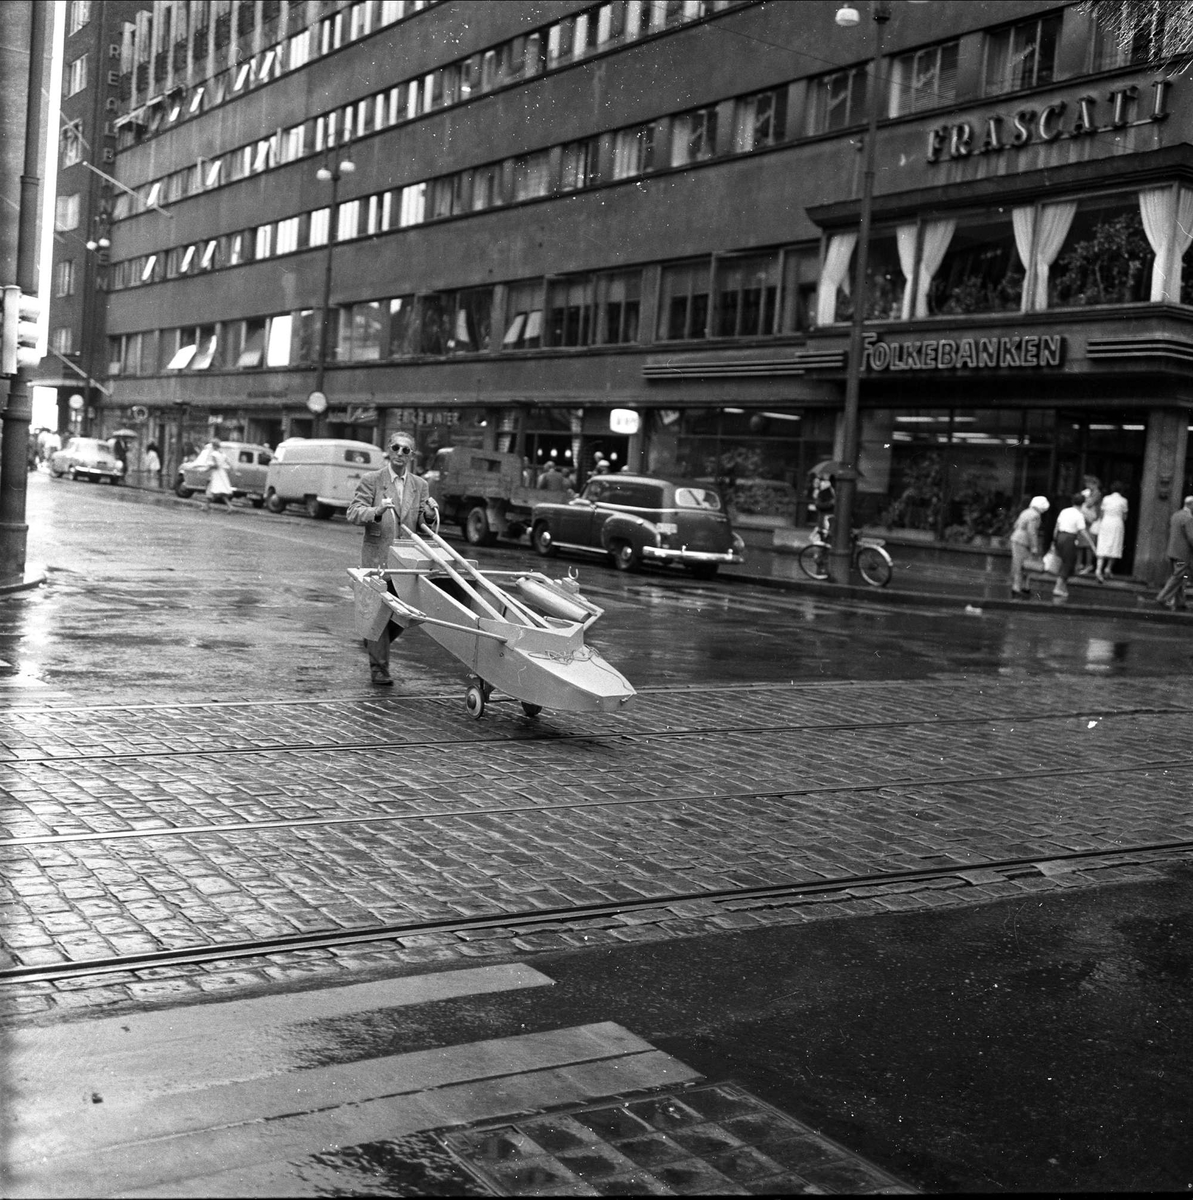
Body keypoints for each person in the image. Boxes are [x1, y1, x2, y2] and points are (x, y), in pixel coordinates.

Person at [346, 431, 439, 686]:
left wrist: (429, 515)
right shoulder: (372, 480)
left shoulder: (420, 485)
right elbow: (353, 512)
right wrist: (376, 512)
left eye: (405, 450)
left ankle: (373, 640)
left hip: (407, 563)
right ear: (389, 449)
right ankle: (379, 668)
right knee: (379, 613)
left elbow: (422, 524)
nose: (400, 454)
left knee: (405, 615)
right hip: (377, 561)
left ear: (412, 455)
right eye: (396, 448)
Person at [1051, 491, 1097, 604]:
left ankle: (1062, 587)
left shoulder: (1064, 511)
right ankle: (1058, 587)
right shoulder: (1079, 515)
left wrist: (1054, 540)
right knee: (1068, 562)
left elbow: (1057, 527)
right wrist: (1092, 544)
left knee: (1065, 561)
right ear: (1082, 503)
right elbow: (1082, 531)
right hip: (1069, 538)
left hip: (1060, 536)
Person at [1155, 495, 1193, 611]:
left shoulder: (1176, 515)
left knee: (1180, 577)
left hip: (1172, 552)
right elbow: (1191, 537)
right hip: (1182, 554)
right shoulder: (1189, 518)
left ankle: (1180, 601)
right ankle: (1162, 597)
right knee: (1178, 576)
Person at [1009, 495, 1050, 599]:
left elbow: (1016, 525)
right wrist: (1034, 546)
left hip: (1016, 538)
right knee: (1022, 565)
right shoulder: (1035, 515)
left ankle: (1020, 587)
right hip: (1024, 541)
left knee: (1019, 563)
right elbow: (1032, 531)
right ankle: (1018, 587)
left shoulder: (1026, 512)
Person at [1095, 481, 1128, 582]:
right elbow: (1124, 516)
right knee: (1115, 544)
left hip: (1106, 522)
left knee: (1103, 544)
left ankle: (1098, 569)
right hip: (1117, 523)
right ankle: (1108, 568)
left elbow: (1101, 513)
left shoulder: (1106, 499)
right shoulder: (1123, 500)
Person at [198, 439, 234, 513]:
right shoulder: (222, 453)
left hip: (216, 475)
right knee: (219, 492)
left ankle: (206, 506)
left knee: (213, 490)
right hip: (222, 473)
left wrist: (205, 469)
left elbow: (216, 465)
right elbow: (229, 463)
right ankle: (229, 506)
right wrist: (230, 469)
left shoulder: (214, 454)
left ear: (214, 446)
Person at [1077, 477, 1102, 575]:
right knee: (1080, 543)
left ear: (1094, 483)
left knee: (1088, 544)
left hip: (1091, 520)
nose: (1087, 485)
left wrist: (1084, 496)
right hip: (1084, 518)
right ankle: (1079, 564)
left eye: (1088, 483)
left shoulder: (1096, 493)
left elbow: (1088, 504)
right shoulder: (1088, 492)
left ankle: (1088, 564)